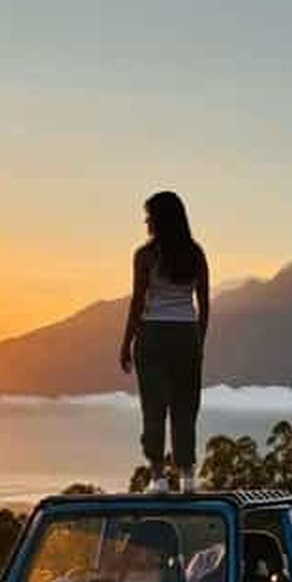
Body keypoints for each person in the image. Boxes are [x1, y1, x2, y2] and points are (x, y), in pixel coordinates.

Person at [119, 191, 210, 494]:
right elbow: (204, 303)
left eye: (149, 215)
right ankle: (187, 477)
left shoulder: (145, 255)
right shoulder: (195, 254)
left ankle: (157, 478)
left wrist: (126, 342)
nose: (146, 221)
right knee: (186, 406)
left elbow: (137, 301)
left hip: (153, 335)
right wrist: (199, 340)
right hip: (187, 335)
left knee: (153, 408)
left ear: (160, 219)